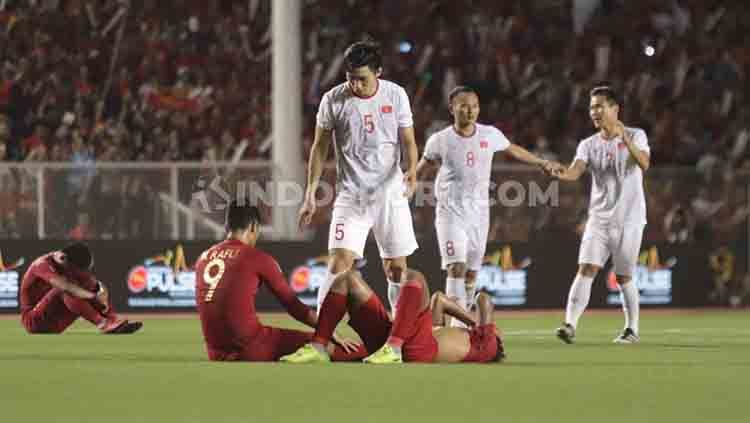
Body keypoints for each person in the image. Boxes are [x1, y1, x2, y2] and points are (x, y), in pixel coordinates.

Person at [416, 86, 559, 327]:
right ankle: (457, 327)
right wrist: (405, 185)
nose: (470, 110)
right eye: (463, 105)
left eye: (474, 105)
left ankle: (460, 321)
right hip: (450, 214)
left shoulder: (489, 134)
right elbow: (422, 168)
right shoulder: (439, 140)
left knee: (471, 274)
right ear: (452, 108)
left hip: (479, 215)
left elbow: (513, 149)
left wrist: (541, 162)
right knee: (456, 268)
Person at [297, 40, 420, 315]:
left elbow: (409, 140)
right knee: (338, 264)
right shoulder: (333, 100)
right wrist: (310, 195)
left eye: (362, 79)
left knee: (397, 269)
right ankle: (321, 336)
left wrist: (411, 170)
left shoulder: (396, 95)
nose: (355, 85)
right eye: (350, 78)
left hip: (390, 193)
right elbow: (319, 148)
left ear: (378, 72)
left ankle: (398, 337)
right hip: (351, 195)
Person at [194, 200, 365, 362]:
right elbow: (294, 307)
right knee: (320, 345)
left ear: (227, 226)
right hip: (252, 348)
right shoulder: (257, 258)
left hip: (216, 353)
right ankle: (373, 352)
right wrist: (328, 332)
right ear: (254, 227)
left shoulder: (203, 258)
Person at [550, 85, 650, 344]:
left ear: (615, 109)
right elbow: (575, 171)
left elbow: (645, 163)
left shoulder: (636, 135)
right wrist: (559, 172)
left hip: (629, 219)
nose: (594, 112)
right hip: (599, 219)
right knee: (586, 268)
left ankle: (632, 329)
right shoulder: (588, 145)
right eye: (591, 107)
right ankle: (569, 324)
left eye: (599, 106)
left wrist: (625, 139)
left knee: (624, 276)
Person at [280, 268, 504, 364]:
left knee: (414, 276)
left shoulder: (487, 342)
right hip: (398, 339)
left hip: (417, 350)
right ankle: (318, 348)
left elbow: (483, 299)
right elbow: (438, 299)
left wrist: (480, 324)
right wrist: (472, 323)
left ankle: (393, 350)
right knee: (347, 279)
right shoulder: (460, 337)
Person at [20, 243, 142, 334]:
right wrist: (93, 297)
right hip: (34, 322)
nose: (78, 272)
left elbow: (97, 285)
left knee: (87, 284)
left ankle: (113, 320)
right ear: (64, 259)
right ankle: (102, 324)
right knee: (68, 288)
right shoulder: (41, 265)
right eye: (77, 269)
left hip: (56, 323)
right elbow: (65, 287)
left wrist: (101, 294)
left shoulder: (69, 263)